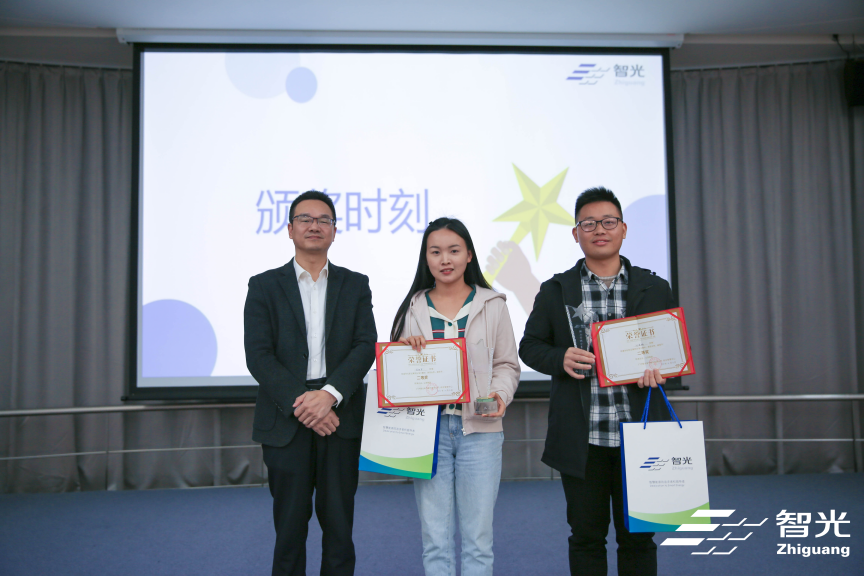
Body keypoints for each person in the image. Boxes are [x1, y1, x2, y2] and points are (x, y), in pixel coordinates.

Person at [519, 187, 679, 576]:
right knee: (586, 538)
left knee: (639, 537)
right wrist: (559, 357)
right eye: (588, 224)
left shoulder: (655, 288)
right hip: (583, 439)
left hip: (640, 437)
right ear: (576, 234)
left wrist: (664, 370)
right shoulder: (556, 290)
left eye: (609, 222)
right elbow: (530, 347)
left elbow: (675, 352)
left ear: (623, 229)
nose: (599, 230)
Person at [244, 190, 376, 576]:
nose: (314, 225)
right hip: (286, 419)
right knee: (289, 531)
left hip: (340, 417)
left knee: (340, 530)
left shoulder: (355, 284)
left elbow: (365, 345)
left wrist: (329, 395)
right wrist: (305, 402)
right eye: (305, 219)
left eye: (324, 220)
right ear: (290, 229)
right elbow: (258, 355)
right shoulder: (264, 286)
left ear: (335, 230)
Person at [391, 217, 521, 576]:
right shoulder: (413, 307)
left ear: (469, 255)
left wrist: (500, 394)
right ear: (426, 258)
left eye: (453, 250)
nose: (445, 259)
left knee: (478, 539)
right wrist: (403, 350)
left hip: (480, 431)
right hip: (428, 433)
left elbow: (507, 364)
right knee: (435, 539)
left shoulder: (492, 304)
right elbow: (395, 375)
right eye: (435, 252)